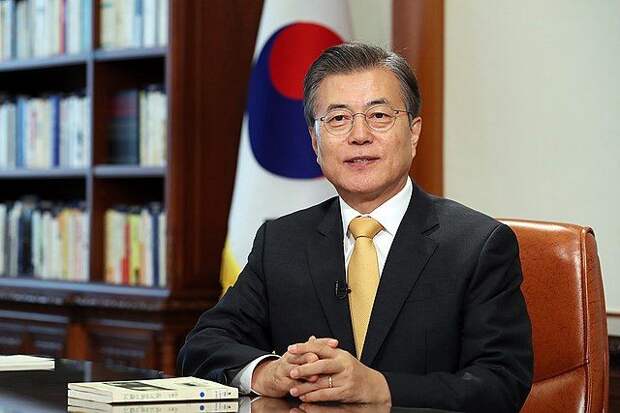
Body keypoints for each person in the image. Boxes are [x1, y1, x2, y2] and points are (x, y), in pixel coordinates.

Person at [177, 43, 533, 411]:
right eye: (338, 119)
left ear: (413, 132)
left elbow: (501, 382)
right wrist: (269, 372)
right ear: (314, 142)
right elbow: (203, 346)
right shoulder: (281, 242)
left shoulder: (477, 245)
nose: (359, 135)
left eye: (379, 115)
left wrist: (382, 387)